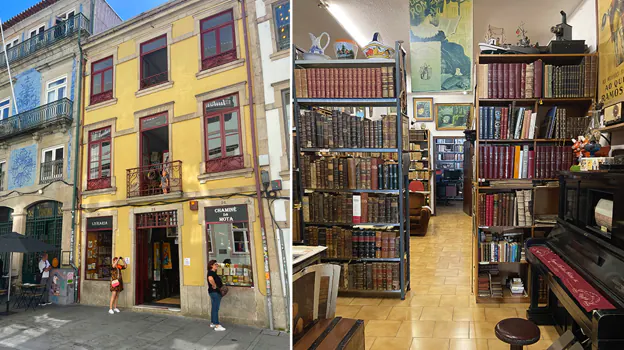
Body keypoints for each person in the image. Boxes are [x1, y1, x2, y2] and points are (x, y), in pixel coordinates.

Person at [207, 260, 225, 331]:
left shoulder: (212, 272)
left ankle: (213, 323)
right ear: (211, 265)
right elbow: (210, 279)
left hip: (213, 292)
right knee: (216, 308)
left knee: (214, 307)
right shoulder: (211, 272)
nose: (217, 265)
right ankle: (217, 325)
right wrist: (214, 285)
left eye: (217, 264)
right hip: (215, 292)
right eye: (215, 264)